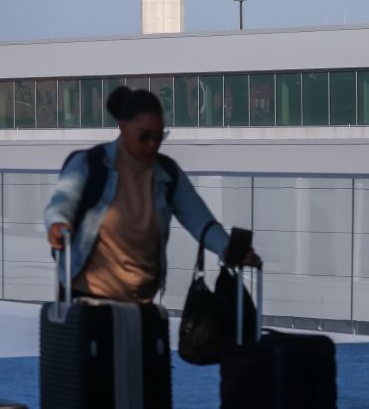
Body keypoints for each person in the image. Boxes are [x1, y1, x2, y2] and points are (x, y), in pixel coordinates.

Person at [45, 86, 260, 303]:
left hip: (142, 304)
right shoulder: (89, 163)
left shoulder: (167, 173)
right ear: (123, 126)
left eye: (158, 137)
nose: (152, 145)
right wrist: (57, 224)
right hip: (86, 300)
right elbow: (62, 202)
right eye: (144, 137)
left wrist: (227, 249)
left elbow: (200, 220)